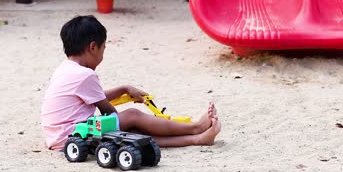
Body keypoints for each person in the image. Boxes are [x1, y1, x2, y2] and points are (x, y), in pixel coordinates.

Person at [41, 15, 221, 150]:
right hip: (72, 136)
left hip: (58, 136)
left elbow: (94, 97)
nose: (103, 54)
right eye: (104, 49)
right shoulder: (85, 75)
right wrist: (125, 120)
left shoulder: (66, 69)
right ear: (93, 47)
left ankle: (197, 139)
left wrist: (123, 89)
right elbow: (107, 110)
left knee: (132, 131)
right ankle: (195, 128)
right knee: (133, 116)